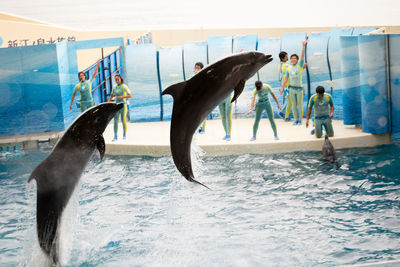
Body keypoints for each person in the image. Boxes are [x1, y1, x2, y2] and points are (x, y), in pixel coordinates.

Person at [280, 39, 308, 125]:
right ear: (290, 60)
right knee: (294, 106)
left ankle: (300, 120)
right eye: (292, 58)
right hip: (291, 89)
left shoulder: (299, 66)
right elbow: (285, 78)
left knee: (300, 105)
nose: (293, 59)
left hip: (299, 89)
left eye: (295, 58)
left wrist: (303, 46)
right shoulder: (288, 68)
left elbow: (302, 56)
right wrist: (282, 88)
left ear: (297, 60)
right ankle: (296, 120)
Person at [107, 74, 132, 141]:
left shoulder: (124, 86)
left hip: (123, 105)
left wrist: (122, 97)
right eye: (115, 80)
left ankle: (124, 135)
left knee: (123, 120)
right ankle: (115, 136)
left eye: (118, 79)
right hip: (116, 105)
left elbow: (130, 96)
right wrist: (107, 103)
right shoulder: (114, 87)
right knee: (115, 121)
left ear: (121, 79)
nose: (117, 81)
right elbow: (111, 96)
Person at [278, 51, 292, 121]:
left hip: (284, 86)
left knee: (289, 100)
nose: (287, 57)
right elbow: (295, 68)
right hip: (287, 86)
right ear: (282, 58)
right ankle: (284, 114)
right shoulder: (286, 65)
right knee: (290, 101)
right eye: (286, 56)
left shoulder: (280, 65)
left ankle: (282, 113)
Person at [194, 62, 207, 134]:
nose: (196, 69)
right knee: (196, 114)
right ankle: (197, 127)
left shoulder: (204, 77)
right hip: (195, 98)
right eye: (195, 68)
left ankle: (203, 128)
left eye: (198, 68)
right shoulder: (192, 76)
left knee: (203, 113)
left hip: (202, 98)